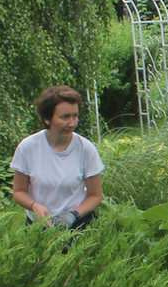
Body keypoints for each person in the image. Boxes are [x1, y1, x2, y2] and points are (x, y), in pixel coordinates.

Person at [11, 85, 104, 228]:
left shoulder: (86, 149)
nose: (72, 123)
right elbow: (18, 192)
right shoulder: (28, 147)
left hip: (77, 225)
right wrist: (34, 205)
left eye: (75, 116)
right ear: (47, 119)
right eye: (65, 117)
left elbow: (95, 196)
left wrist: (73, 215)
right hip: (38, 226)